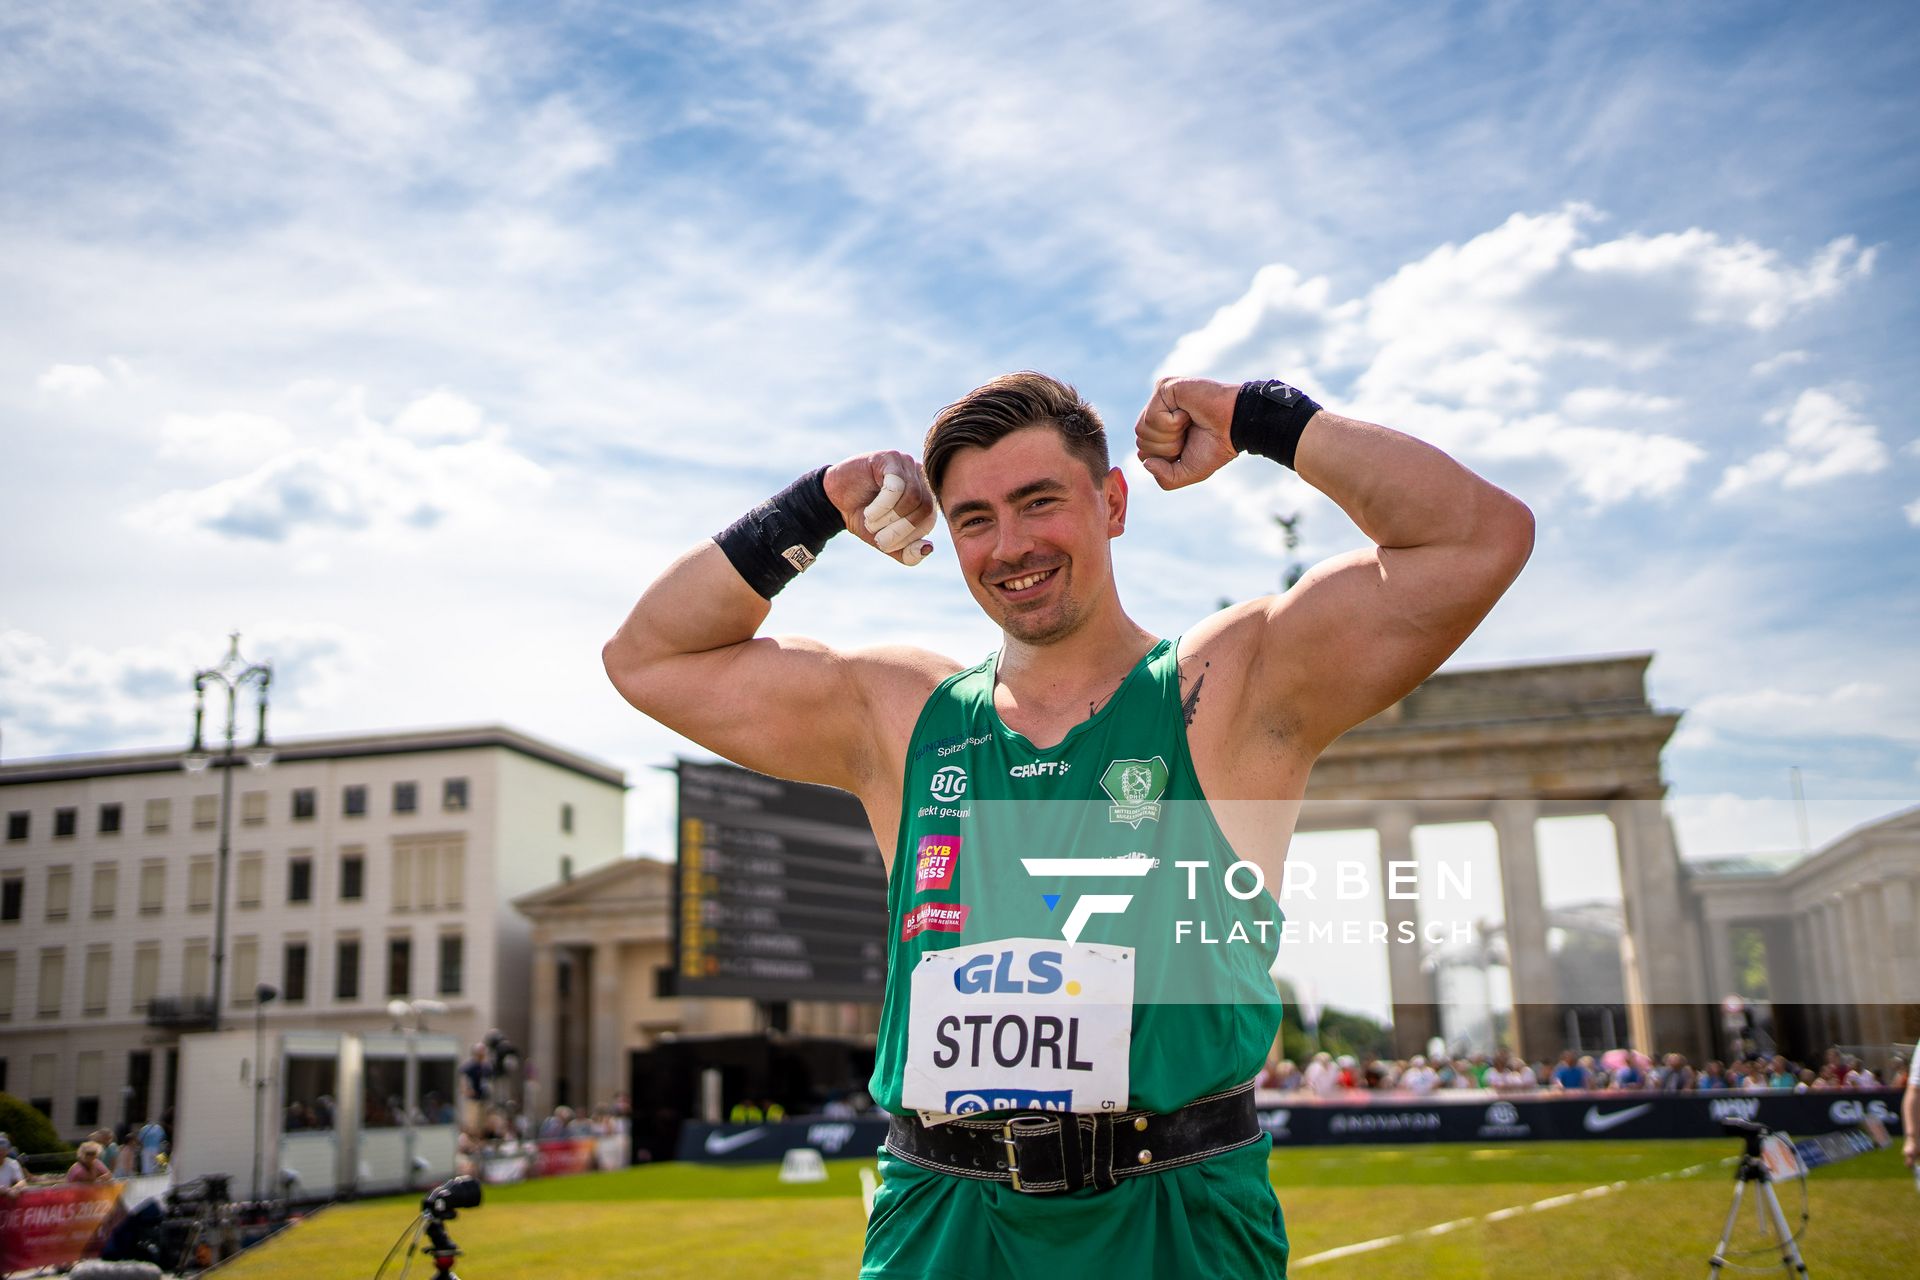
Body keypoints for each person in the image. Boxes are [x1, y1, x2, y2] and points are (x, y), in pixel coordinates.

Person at [604, 370, 1532, 1279]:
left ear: (1113, 501)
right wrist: (813, 505)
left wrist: (1263, 416)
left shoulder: (1225, 688)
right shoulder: (902, 714)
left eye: (1039, 502)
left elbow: (1477, 538)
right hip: (942, 1217)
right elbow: (649, 657)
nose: (1011, 546)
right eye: (975, 518)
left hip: (1174, 1213)